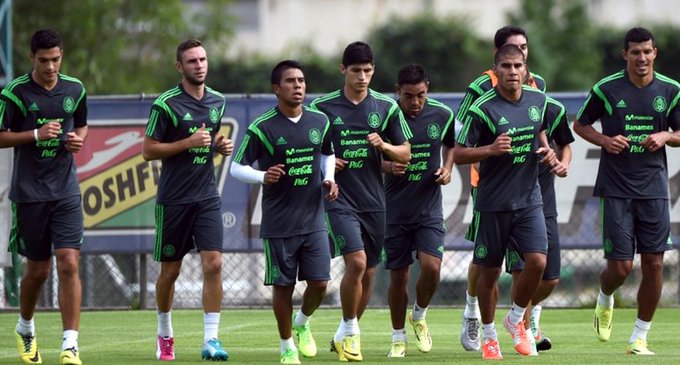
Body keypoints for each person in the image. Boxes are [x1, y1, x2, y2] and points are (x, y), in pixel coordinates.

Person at [573, 27, 680, 355]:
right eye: (635, 52)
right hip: (616, 188)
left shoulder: (671, 89)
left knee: (654, 264)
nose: (642, 58)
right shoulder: (606, 89)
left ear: (655, 53)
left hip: (654, 189)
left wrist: (665, 136)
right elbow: (580, 124)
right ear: (625, 55)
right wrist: (605, 140)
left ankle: (639, 337)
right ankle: (605, 298)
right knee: (620, 268)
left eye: (647, 51)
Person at [230, 60, 339, 364]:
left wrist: (329, 178)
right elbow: (236, 168)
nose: (298, 86)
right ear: (276, 89)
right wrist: (263, 176)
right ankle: (286, 346)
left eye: (301, 80)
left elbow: (328, 153)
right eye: (290, 81)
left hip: (314, 219)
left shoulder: (319, 121)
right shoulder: (262, 127)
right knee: (283, 287)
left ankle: (302, 323)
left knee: (319, 283)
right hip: (279, 224)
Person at [310, 41, 412, 362]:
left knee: (368, 273)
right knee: (355, 262)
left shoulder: (385, 107)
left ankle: (343, 330)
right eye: (356, 71)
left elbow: (405, 152)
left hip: (374, 201)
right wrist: (326, 163)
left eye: (368, 71)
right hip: (338, 198)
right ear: (343, 70)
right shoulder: (323, 107)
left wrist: (384, 146)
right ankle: (353, 336)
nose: (363, 77)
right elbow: (307, 149)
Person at [454, 44, 556, 360]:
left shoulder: (539, 101)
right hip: (492, 203)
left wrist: (550, 153)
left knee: (538, 261)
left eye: (518, 65)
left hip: (529, 199)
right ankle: (488, 336)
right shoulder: (482, 108)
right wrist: (490, 149)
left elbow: (547, 137)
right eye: (507, 66)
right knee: (489, 272)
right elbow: (457, 153)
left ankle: (514, 319)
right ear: (495, 70)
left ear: (526, 69)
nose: (513, 72)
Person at [142, 39, 233, 362]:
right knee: (170, 272)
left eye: (203, 59)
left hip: (206, 196)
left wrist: (217, 146)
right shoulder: (165, 105)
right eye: (192, 61)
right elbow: (148, 150)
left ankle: (211, 339)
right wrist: (188, 142)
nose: (200, 65)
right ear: (180, 67)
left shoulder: (218, 101)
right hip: (174, 200)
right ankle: (165, 333)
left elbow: (207, 140)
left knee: (214, 263)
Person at [0, 28, 87, 365]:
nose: (50, 67)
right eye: (43, 60)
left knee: (68, 262)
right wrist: (35, 134)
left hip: (65, 189)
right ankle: (25, 327)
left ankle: (70, 345)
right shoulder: (14, 93)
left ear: (61, 55)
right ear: (31, 58)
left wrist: (78, 139)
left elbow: (81, 124)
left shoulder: (75, 88)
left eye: (55, 59)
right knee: (38, 272)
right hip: (29, 193)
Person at [382, 64, 455, 358]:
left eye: (421, 95)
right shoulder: (386, 116)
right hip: (394, 210)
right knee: (398, 278)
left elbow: (452, 146)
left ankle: (420, 314)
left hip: (428, 208)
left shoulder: (442, 114)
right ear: (398, 91)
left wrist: (447, 169)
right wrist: (387, 166)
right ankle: (398, 336)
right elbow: (365, 159)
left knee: (431, 267)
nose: (415, 102)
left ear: (428, 89)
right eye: (409, 96)